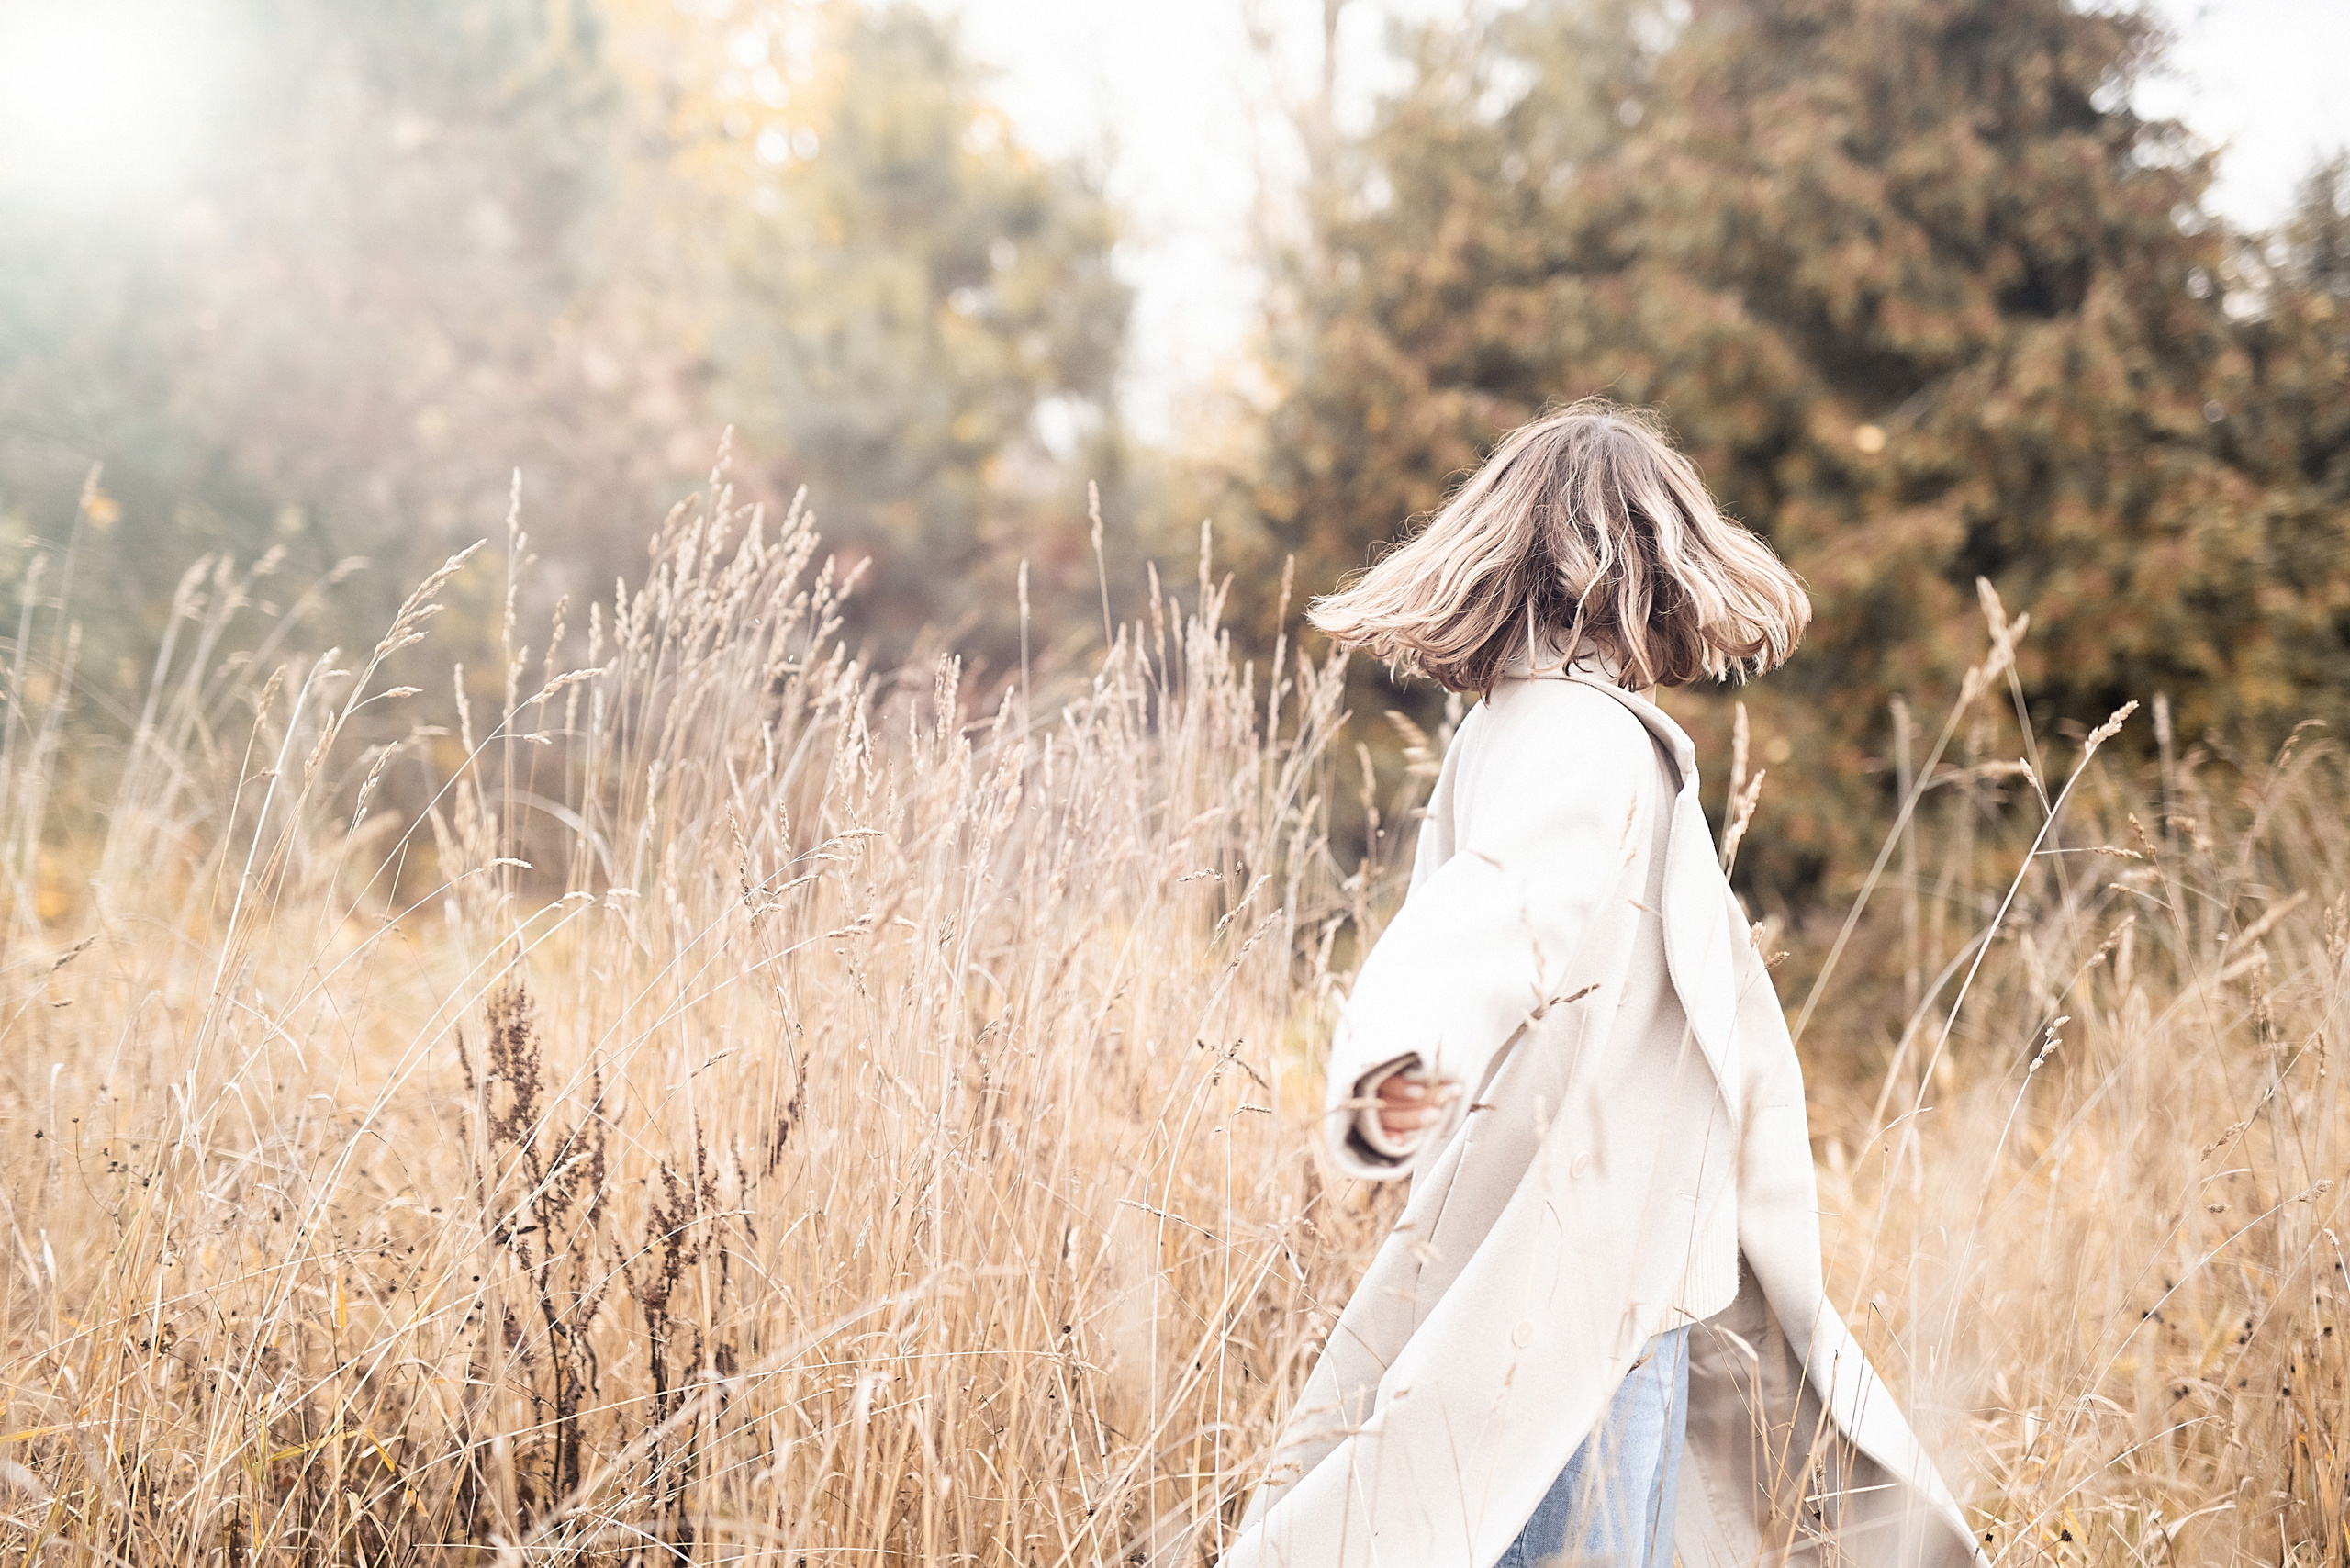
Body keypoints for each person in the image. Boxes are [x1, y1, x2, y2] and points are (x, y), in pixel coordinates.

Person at [1221, 401, 1980, 1568]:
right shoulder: (1582, 732)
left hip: (1615, 1255)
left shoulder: (1516, 721)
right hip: (1583, 1264)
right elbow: (1500, 904)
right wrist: (1403, 1061)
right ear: (1649, 570)